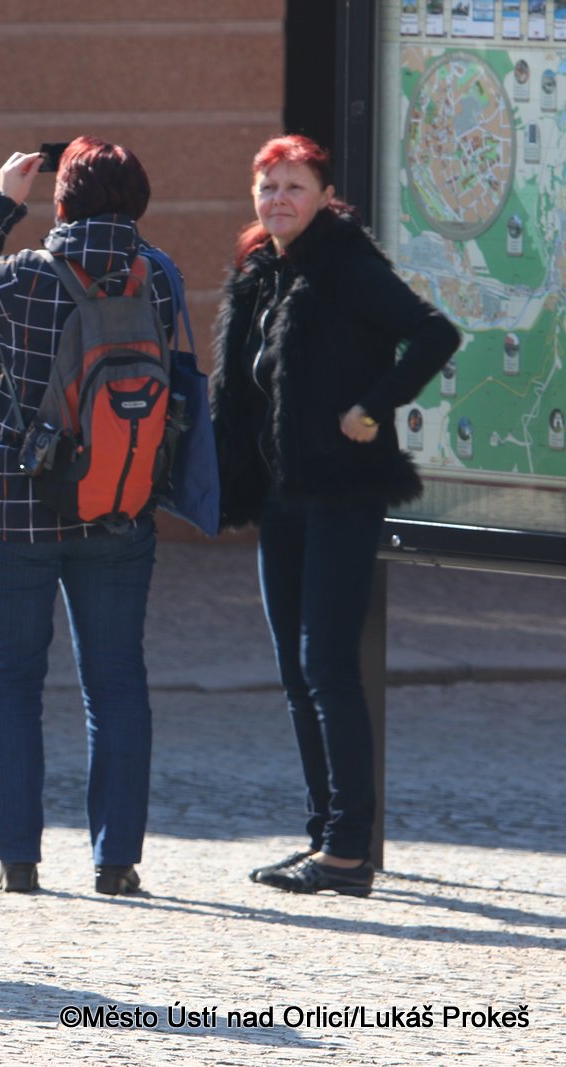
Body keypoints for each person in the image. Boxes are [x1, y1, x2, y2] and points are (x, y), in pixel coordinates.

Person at [212, 134, 458, 897]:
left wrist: (372, 407)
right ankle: (325, 834)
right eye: (268, 186)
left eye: (294, 186)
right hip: (282, 493)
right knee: (294, 669)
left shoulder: (347, 265)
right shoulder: (264, 272)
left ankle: (349, 850)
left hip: (344, 490)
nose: (278, 199)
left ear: (324, 194)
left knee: (327, 664)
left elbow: (435, 334)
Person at [0, 137, 172, 897]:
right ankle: (117, 860)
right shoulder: (157, 276)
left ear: (61, 200)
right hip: (119, 504)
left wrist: (3, 201)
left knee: (9, 676)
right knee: (117, 681)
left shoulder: (26, 275)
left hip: (17, 504)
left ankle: (17, 857)